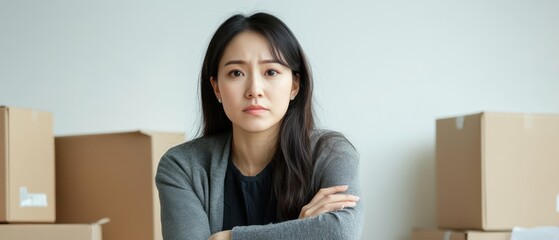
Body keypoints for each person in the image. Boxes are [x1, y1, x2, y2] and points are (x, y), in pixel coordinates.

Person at [155, 12, 363, 240]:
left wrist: (225, 238)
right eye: (236, 73)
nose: (254, 89)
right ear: (216, 88)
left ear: (295, 84)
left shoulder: (330, 153)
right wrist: (302, 230)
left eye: (271, 72)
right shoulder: (181, 167)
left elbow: (342, 231)